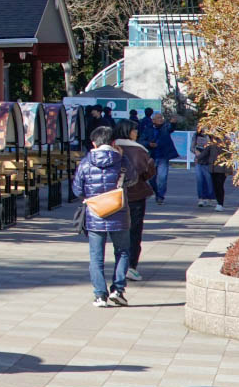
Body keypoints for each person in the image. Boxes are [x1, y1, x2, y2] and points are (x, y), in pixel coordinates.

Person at [72, 126, 136, 307]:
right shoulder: (122, 160)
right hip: (119, 213)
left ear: (94, 142)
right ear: (113, 143)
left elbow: (77, 189)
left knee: (96, 257)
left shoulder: (85, 162)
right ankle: (118, 290)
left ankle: (100, 295)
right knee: (122, 251)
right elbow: (133, 179)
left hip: (95, 213)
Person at [111, 120, 156, 282]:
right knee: (134, 230)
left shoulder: (111, 147)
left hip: (112, 196)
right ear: (127, 131)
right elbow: (147, 171)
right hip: (135, 195)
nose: (136, 133)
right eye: (134, 130)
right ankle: (130, 265)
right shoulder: (139, 150)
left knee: (117, 230)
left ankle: (119, 262)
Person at [149, 112, 177, 204]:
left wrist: (173, 123)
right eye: (158, 118)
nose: (161, 119)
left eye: (161, 117)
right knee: (151, 179)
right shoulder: (148, 129)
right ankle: (157, 193)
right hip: (152, 157)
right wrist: (149, 144)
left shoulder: (165, 127)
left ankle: (160, 196)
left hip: (163, 157)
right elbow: (142, 140)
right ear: (153, 120)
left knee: (162, 178)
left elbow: (171, 128)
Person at [193, 132, 216, 207]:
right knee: (200, 180)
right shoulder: (196, 135)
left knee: (209, 180)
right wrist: (195, 151)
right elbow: (192, 147)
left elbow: (213, 148)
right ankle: (201, 198)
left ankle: (210, 198)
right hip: (199, 161)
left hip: (208, 161)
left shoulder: (211, 136)